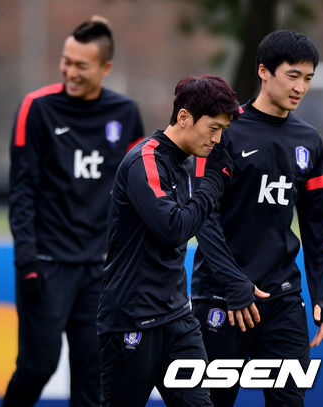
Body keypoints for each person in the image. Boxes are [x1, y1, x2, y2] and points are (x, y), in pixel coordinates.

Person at [4, 16, 145, 407]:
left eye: (81, 65)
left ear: (105, 68)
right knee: (37, 367)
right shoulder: (36, 108)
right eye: (66, 61)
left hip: (101, 270)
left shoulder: (126, 113)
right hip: (47, 265)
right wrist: (27, 259)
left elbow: (138, 190)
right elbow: (21, 190)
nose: (70, 71)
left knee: (94, 376)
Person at [191, 29, 323, 407]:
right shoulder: (224, 131)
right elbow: (204, 218)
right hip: (221, 298)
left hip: (283, 299)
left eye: (308, 78)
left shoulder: (309, 141)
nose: (301, 87)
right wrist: (234, 283)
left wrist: (320, 294)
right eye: (292, 75)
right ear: (264, 71)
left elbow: (317, 227)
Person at [97, 75, 240, 407]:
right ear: (184, 117)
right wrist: (213, 184)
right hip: (132, 319)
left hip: (178, 319)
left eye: (222, 130)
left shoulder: (183, 165)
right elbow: (174, 228)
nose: (217, 139)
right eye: (213, 128)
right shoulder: (144, 160)